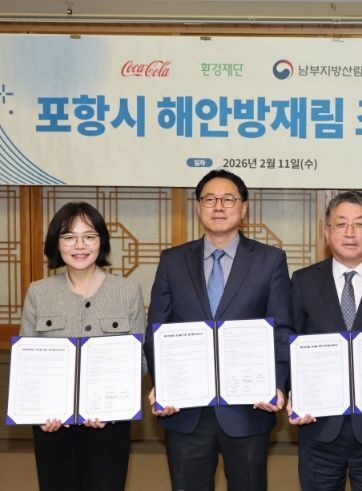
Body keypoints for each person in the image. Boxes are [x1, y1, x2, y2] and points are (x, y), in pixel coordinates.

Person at [145, 169, 292, 491]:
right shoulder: (172, 260)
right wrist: (164, 384)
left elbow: (281, 329)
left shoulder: (270, 260)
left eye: (228, 199)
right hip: (186, 409)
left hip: (248, 406)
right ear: (198, 207)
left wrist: (277, 384)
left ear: (244, 208)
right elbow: (157, 330)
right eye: (209, 199)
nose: (219, 206)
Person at [20, 201, 146, 491]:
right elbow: (27, 364)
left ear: (101, 241)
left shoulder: (127, 291)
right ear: (56, 243)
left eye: (89, 236)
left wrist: (109, 405)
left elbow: (138, 360)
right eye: (69, 237)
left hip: (109, 423)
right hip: (52, 423)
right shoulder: (39, 292)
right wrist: (40, 410)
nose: (79, 246)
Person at [288, 190, 362, 491]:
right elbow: (290, 342)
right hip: (318, 424)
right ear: (327, 232)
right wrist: (291, 391)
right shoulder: (303, 281)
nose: (350, 232)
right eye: (341, 224)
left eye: (360, 224)